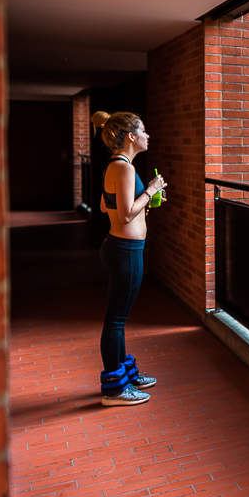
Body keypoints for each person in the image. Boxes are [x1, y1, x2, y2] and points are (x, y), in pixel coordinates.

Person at [90, 110, 167, 406]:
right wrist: (150, 190)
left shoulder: (118, 166)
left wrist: (145, 199)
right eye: (144, 130)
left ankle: (125, 377)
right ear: (131, 137)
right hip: (124, 250)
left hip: (119, 248)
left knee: (118, 320)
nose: (149, 135)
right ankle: (114, 390)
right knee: (115, 321)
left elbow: (102, 205)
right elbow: (123, 215)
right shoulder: (122, 168)